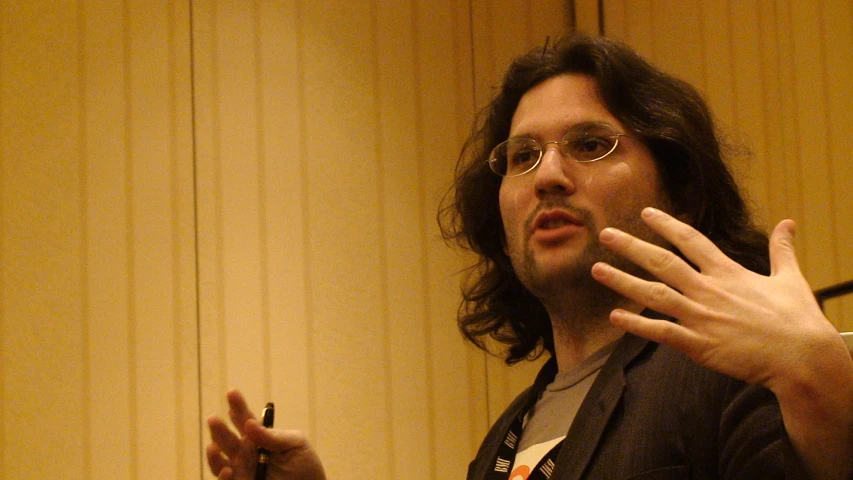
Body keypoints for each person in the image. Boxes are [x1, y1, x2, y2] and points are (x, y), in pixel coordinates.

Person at [205, 33, 853, 480]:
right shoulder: (508, 433)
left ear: (679, 191)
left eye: (591, 144)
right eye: (521, 156)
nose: (546, 176)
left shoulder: (733, 367)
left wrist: (824, 383)